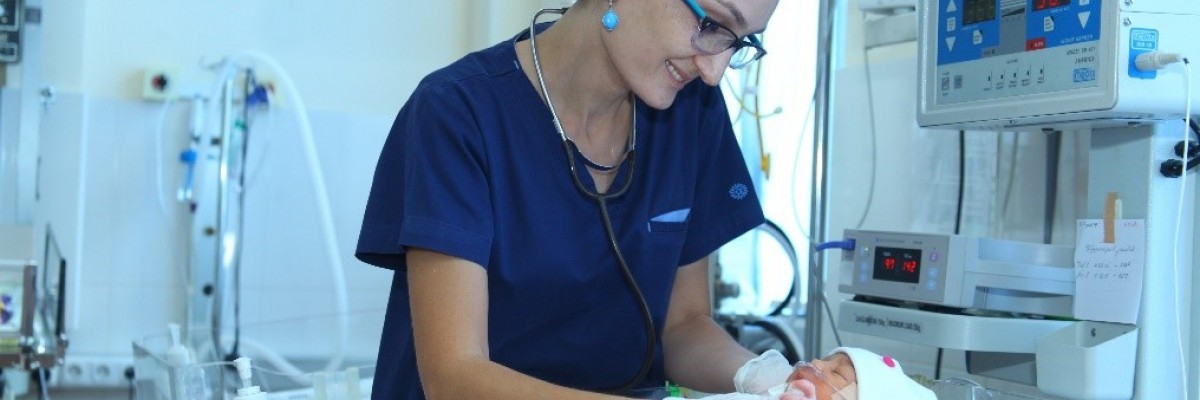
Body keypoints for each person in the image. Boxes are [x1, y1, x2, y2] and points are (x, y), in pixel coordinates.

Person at [355, 0, 784, 398]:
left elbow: (683, 325)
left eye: (739, 41)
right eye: (710, 24)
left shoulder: (695, 111)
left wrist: (766, 377)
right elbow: (455, 377)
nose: (715, 69)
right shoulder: (458, 112)